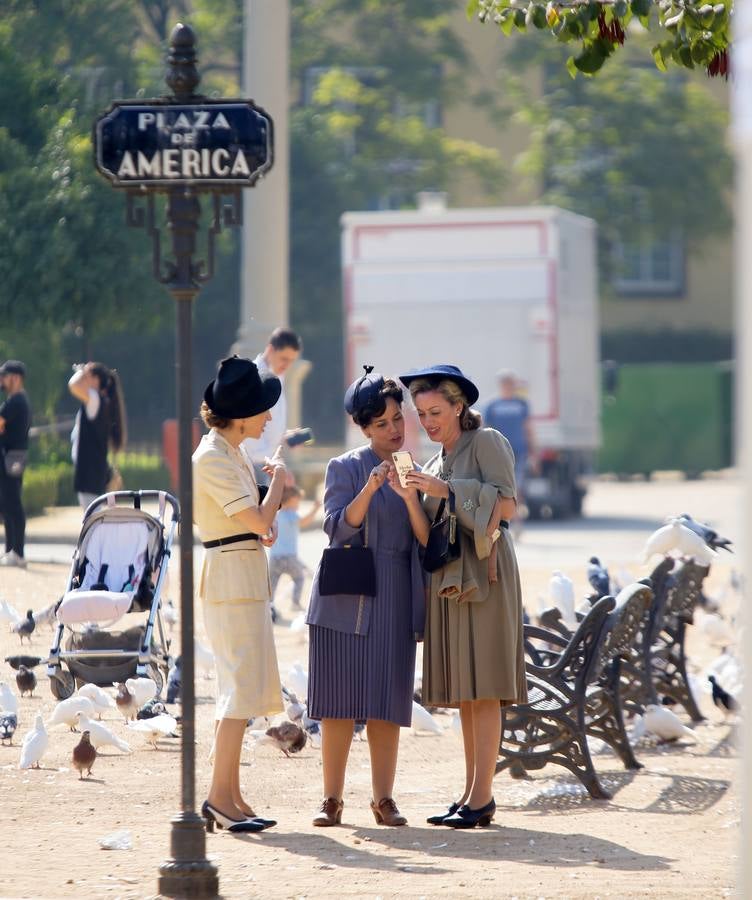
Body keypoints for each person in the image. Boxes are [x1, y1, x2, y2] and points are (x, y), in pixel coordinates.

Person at [397, 364, 528, 829]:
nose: (428, 421)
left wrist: (448, 489)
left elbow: (509, 504)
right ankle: (473, 795)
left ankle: (481, 797)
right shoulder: (434, 460)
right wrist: (411, 495)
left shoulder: (487, 441)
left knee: (486, 688)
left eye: (436, 411)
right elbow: (427, 535)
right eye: (421, 413)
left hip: (486, 574)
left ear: (459, 406)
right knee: (468, 692)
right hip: (451, 579)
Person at [305, 367, 427, 828]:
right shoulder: (344, 467)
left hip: (395, 587)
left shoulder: (414, 468)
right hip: (344, 592)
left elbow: (425, 538)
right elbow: (337, 527)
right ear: (363, 428)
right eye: (382, 424)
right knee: (336, 702)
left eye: (398, 419)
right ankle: (331, 800)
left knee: (386, 701)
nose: (394, 430)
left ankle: (384, 800)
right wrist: (371, 486)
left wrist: (410, 496)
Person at [193, 355, 287, 834]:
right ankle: (217, 798)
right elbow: (258, 519)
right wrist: (280, 488)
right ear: (243, 414)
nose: (269, 417)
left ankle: (228, 794)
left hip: (240, 571)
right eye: (263, 409)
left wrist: (262, 516)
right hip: (230, 577)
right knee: (237, 691)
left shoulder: (229, 452)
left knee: (241, 691)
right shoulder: (212, 456)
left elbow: (250, 525)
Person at [241, 327, 302, 482]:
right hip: (254, 464)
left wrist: (284, 436)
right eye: (284, 359)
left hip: (266, 462)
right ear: (270, 349)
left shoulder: (277, 375)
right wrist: (275, 465)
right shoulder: (254, 377)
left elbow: (269, 420)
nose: (287, 365)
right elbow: (247, 429)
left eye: (292, 361)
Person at [68, 362, 127, 509]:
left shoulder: (95, 399)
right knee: (95, 518)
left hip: (89, 473)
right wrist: (85, 372)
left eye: (86, 376)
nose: (82, 379)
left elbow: (73, 385)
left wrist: (81, 371)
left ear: (95, 380)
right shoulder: (99, 401)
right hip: (93, 471)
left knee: (93, 520)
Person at [482, 370, 536, 505]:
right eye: (505, 383)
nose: (508, 386)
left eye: (510, 383)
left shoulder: (522, 404)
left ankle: (517, 518)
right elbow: (485, 431)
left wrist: (534, 452)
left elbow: (528, 428)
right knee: (500, 485)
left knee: (518, 484)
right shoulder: (492, 406)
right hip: (499, 452)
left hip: (519, 451)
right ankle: (504, 517)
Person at [268, 484, 320, 617]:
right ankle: (295, 603)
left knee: (272, 583)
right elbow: (304, 522)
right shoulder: (291, 514)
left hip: (274, 558)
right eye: (298, 501)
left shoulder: (276, 514)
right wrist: (315, 509)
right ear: (291, 500)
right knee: (299, 578)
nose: (299, 504)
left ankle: (269, 604)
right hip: (289, 557)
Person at [0, 360, 31, 568]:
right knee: (8, 505)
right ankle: (12, 550)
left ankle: (17, 552)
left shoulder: (16, 401)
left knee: (13, 505)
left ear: (16, 378)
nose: (2, 380)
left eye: (5, 375)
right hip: (13, 457)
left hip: (10, 458)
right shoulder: (17, 400)